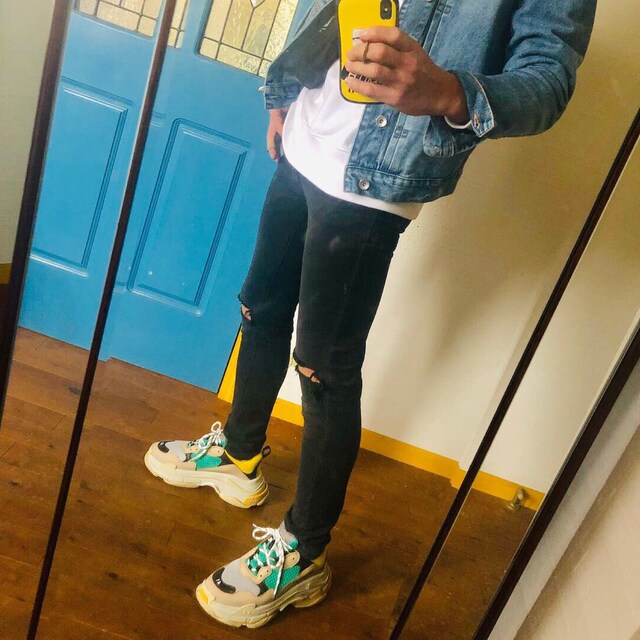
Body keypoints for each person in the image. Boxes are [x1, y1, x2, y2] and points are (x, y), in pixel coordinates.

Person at [144, 0, 596, 628]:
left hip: (373, 182)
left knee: (324, 370)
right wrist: (286, 88)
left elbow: (549, 79)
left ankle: (304, 552)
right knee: (259, 307)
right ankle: (239, 456)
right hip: (304, 135)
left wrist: (450, 92)